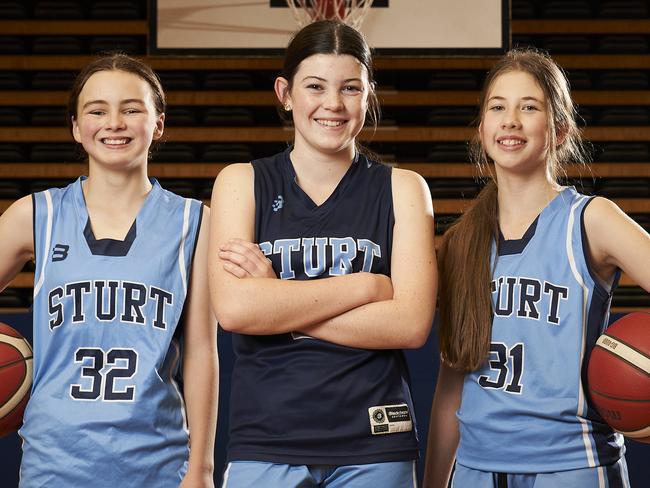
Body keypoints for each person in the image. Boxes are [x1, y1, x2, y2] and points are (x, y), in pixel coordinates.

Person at [208, 19, 436, 488]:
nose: (333, 104)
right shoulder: (241, 182)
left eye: (350, 88)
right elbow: (234, 311)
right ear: (285, 92)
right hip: (266, 439)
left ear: (368, 95)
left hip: (376, 440)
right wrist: (366, 286)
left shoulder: (404, 189)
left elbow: (410, 325)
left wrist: (275, 298)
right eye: (315, 86)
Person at [423, 48, 650, 488]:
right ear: (483, 128)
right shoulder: (459, 243)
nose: (510, 120)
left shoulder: (589, 220)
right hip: (475, 469)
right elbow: (451, 384)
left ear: (560, 130)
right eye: (497, 107)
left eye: (529, 107)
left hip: (571, 464)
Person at [0, 53, 218, 487]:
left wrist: (202, 468)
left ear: (157, 124)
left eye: (132, 109)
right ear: (77, 128)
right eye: (97, 110)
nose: (114, 123)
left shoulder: (196, 222)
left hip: (157, 466)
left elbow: (200, 353)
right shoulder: (36, 215)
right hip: (54, 465)